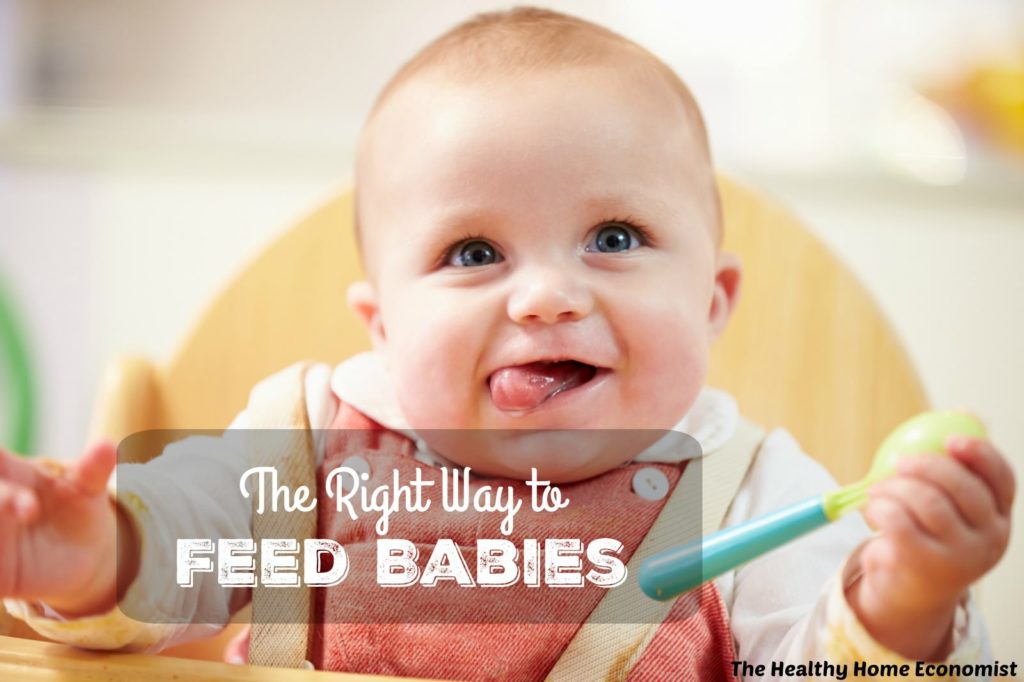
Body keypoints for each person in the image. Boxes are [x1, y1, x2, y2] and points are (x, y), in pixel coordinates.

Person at [0, 7, 1014, 680]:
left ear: (712, 301)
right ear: (384, 327)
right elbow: (179, 546)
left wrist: (904, 600)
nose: (543, 296)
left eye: (615, 238)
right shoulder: (309, 445)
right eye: (473, 250)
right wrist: (92, 551)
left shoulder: (755, 489)